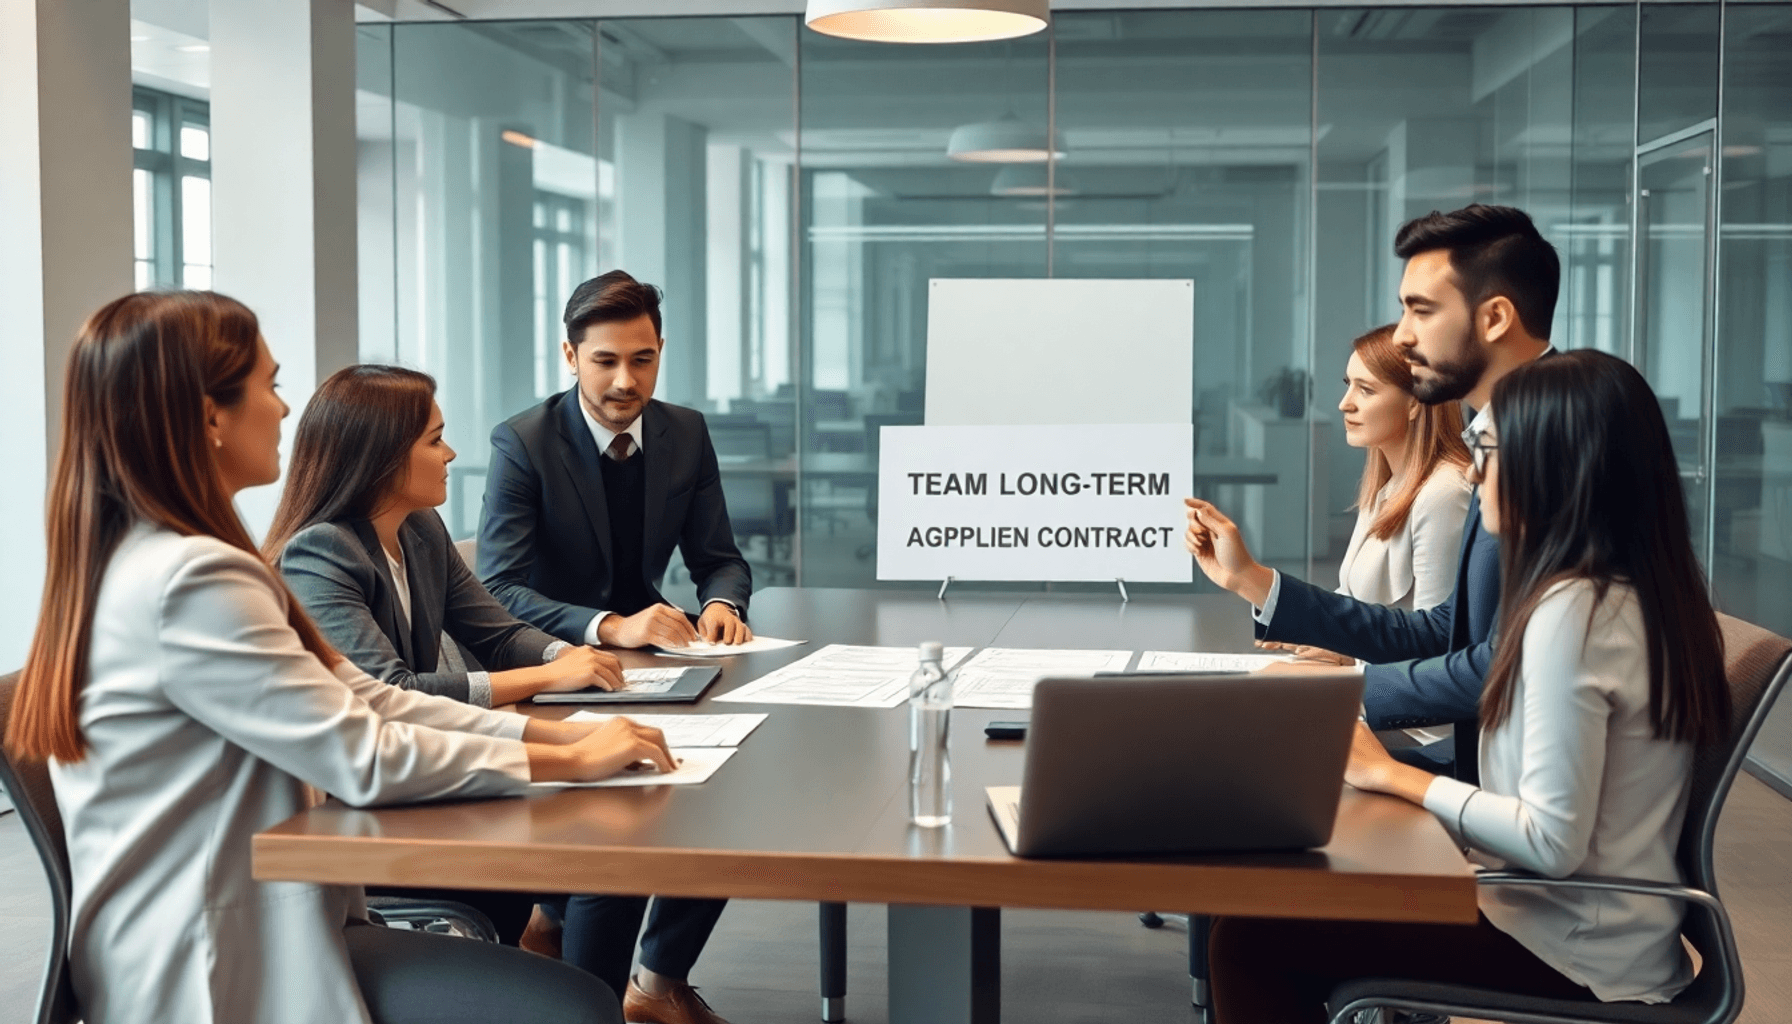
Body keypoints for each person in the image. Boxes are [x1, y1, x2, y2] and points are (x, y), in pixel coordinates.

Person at [4, 291, 680, 1024]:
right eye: (270, 385)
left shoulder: (174, 561)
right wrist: (571, 763)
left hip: (259, 922)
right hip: (212, 961)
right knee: (574, 1005)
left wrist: (562, 736)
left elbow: (369, 697)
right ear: (209, 417)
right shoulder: (191, 581)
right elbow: (362, 754)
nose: (286, 411)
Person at [1207, 349, 1731, 1023]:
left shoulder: (1575, 611)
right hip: (1567, 921)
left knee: (1252, 939)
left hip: (1566, 947)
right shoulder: (1621, 592)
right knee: (1261, 907)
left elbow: (1550, 840)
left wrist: (1389, 775)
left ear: (1556, 465)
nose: (1474, 468)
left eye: (1487, 447)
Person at [1185, 204, 1557, 780]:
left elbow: (1504, 665)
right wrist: (1249, 580)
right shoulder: (1500, 437)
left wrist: (1346, 693)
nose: (1404, 335)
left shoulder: (1554, 443)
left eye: (1421, 310)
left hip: (1500, 774)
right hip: (1488, 761)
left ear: (1495, 318)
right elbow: (1447, 631)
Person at [265, 363, 628, 949]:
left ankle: (561, 977)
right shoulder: (320, 553)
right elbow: (392, 691)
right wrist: (549, 675)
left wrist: (577, 657)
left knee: (610, 830)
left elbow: (499, 633)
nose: (452, 453)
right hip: (363, 817)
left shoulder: (420, 529)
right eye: (435, 440)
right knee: (598, 849)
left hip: (421, 785)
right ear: (380, 458)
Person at [476, 269, 742, 1024]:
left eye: (644, 359)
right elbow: (498, 587)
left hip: (657, 664)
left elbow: (719, 555)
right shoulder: (525, 442)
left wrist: (722, 601)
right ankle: (584, 992)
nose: (627, 381)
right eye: (606, 361)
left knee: (730, 790)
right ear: (570, 355)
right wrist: (608, 627)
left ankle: (652, 983)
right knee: (618, 829)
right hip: (549, 663)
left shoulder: (684, 431)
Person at [1332, 323, 1471, 611]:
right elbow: (1349, 599)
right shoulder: (1387, 486)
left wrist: (1344, 649)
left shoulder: (1444, 494)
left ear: (1415, 404)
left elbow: (1435, 639)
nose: (1345, 405)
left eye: (1366, 390)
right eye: (1349, 385)